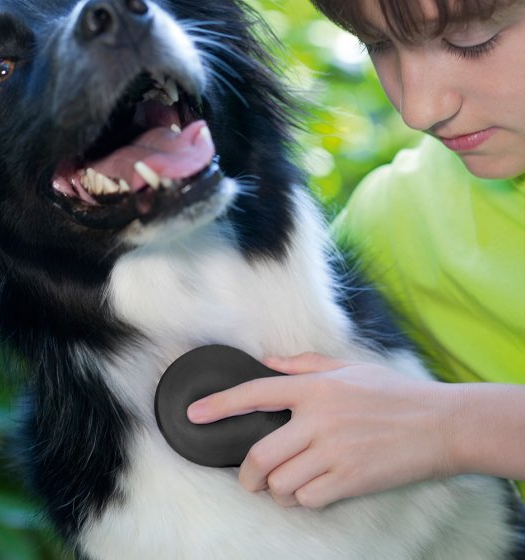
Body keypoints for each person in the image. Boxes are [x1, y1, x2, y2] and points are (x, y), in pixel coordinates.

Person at [187, 0, 525, 523]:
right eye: (379, 45)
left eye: (471, 39)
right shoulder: (396, 226)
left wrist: (450, 427)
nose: (419, 107)